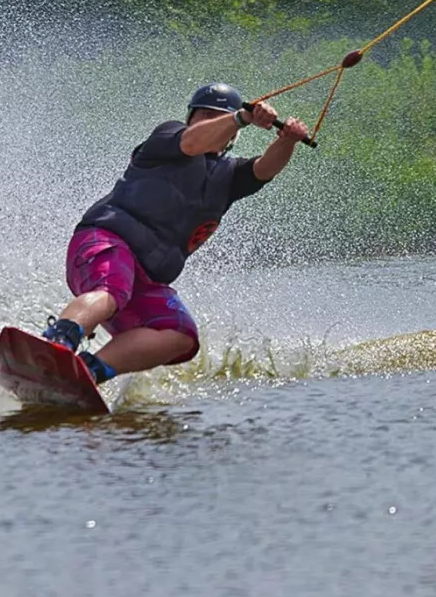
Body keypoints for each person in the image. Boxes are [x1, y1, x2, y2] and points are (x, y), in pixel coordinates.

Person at [39, 83, 310, 382]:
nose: (209, 121)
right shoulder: (168, 137)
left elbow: (264, 169)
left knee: (181, 336)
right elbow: (194, 143)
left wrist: (288, 141)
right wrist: (240, 118)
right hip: (106, 242)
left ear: (234, 138)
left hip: (147, 278)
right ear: (191, 118)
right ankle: (57, 343)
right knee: (112, 289)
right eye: (204, 114)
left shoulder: (230, 176)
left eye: (218, 116)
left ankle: (86, 373)